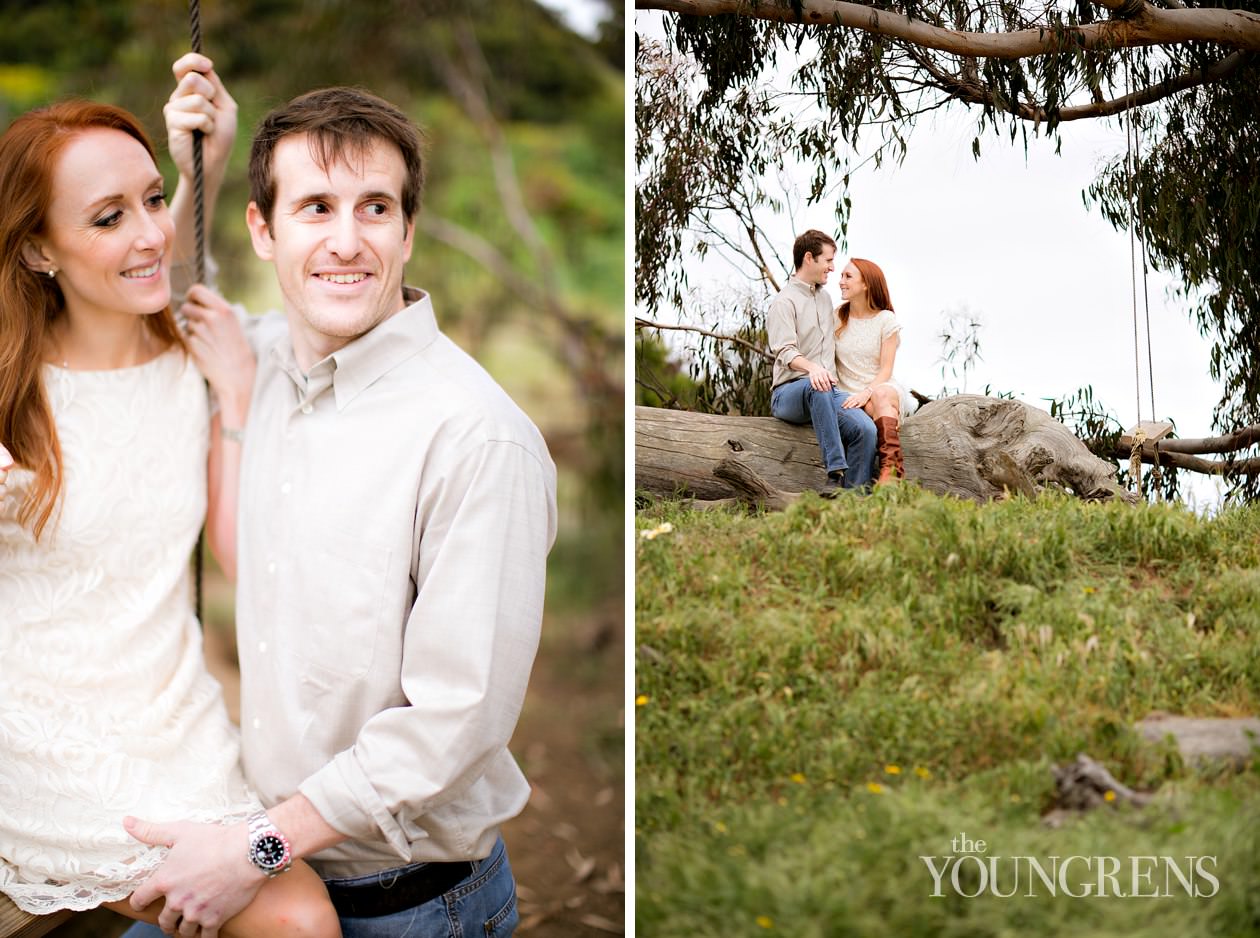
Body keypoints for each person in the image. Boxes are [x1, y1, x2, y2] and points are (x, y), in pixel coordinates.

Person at [120, 67, 558, 938]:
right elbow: (154, 301)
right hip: (276, 878)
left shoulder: (476, 437)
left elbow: (450, 726)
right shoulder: (269, 356)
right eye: (315, 206)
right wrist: (191, 170)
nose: (347, 241)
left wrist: (251, 853)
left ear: (408, 230)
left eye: (375, 208)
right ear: (262, 228)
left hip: (411, 906)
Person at [0, 64, 340, 938]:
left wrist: (209, 162)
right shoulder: (13, 399)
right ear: (38, 249)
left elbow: (167, 258)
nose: (149, 231)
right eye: (108, 218)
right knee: (297, 919)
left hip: (177, 722)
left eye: (154, 198)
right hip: (44, 743)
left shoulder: (183, 342)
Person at [767, 229, 877, 494]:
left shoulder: (826, 299)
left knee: (866, 429)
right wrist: (812, 368)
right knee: (818, 385)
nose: (832, 267)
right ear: (809, 258)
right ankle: (835, 471)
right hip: (788, 394)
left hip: (827, 393)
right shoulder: (784, 302)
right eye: (827, 260)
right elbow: (784, 351)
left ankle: (853, 499)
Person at [834, 257, 912, 484]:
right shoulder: (837, 317)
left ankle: (892, 469)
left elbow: (886, 370)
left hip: (881, 388)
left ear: (866, 284)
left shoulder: (886, 320)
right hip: (848, 395)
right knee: (871, 405)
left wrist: (866, 392)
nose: (841, 281)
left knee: (878, 396)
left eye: (848, 276)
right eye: (841, 276)